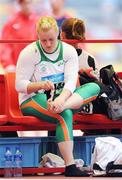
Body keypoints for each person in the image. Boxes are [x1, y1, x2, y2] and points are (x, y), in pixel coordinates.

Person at [15, 16, 100, 176]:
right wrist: (39, 85)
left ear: (59, 34)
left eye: (51, 40)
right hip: (32, 99)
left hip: (62, 99)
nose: (47, 44)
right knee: (64, 114)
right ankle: (70, 166)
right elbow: (19, 85)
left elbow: (70, 82)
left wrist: (61, 101)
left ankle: (62, 106)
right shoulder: (28, 53)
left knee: (94, 87)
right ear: (37, 37)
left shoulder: (68, 51)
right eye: (43, 40)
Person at [0, 0, 38, 72]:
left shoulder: (38, 21)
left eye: (29, 3)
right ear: (20, 4)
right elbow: (5, 44)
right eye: (25, 3)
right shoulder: (12, 22)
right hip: (16, 67)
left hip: (35, 66)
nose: (27, 6)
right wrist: (8, 64)